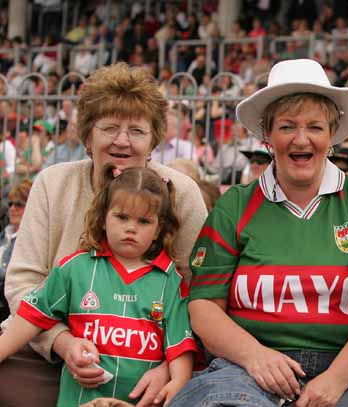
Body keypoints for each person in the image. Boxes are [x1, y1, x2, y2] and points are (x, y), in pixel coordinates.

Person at [168, 58, 348, 407]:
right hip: (244, 366)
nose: (301, 139)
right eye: (287, 126)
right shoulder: (234, 207)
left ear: (332, 134)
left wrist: (335, 380)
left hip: (345, 372)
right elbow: (204, 306)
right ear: (268, 137)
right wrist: (255, 357)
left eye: (315, 127)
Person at [1, 62, 208, 407]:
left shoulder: (182, 193)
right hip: (51, 351)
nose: (122, 142)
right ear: (86, 136)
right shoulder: (54, 184)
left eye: (137, 131)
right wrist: (63, 342)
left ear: (154, 139)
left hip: (146, 362)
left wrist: (169, 366)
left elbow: (199, 292)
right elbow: (25, 285)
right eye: (109, 128)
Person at [0, 166, 197, 406]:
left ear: (158, 230)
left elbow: (180, 346)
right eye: (122, 217)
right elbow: (32, 315)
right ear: (104, 217)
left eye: (144, 221)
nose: (131, 228)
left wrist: (178, 383)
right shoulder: (74, 268)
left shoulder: (171, 282)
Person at [0, 180, 31, 322]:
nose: (12, 208)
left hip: (8, 307)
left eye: (19, 204)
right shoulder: (4, 235)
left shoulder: (31, 241)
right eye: (10, 204)